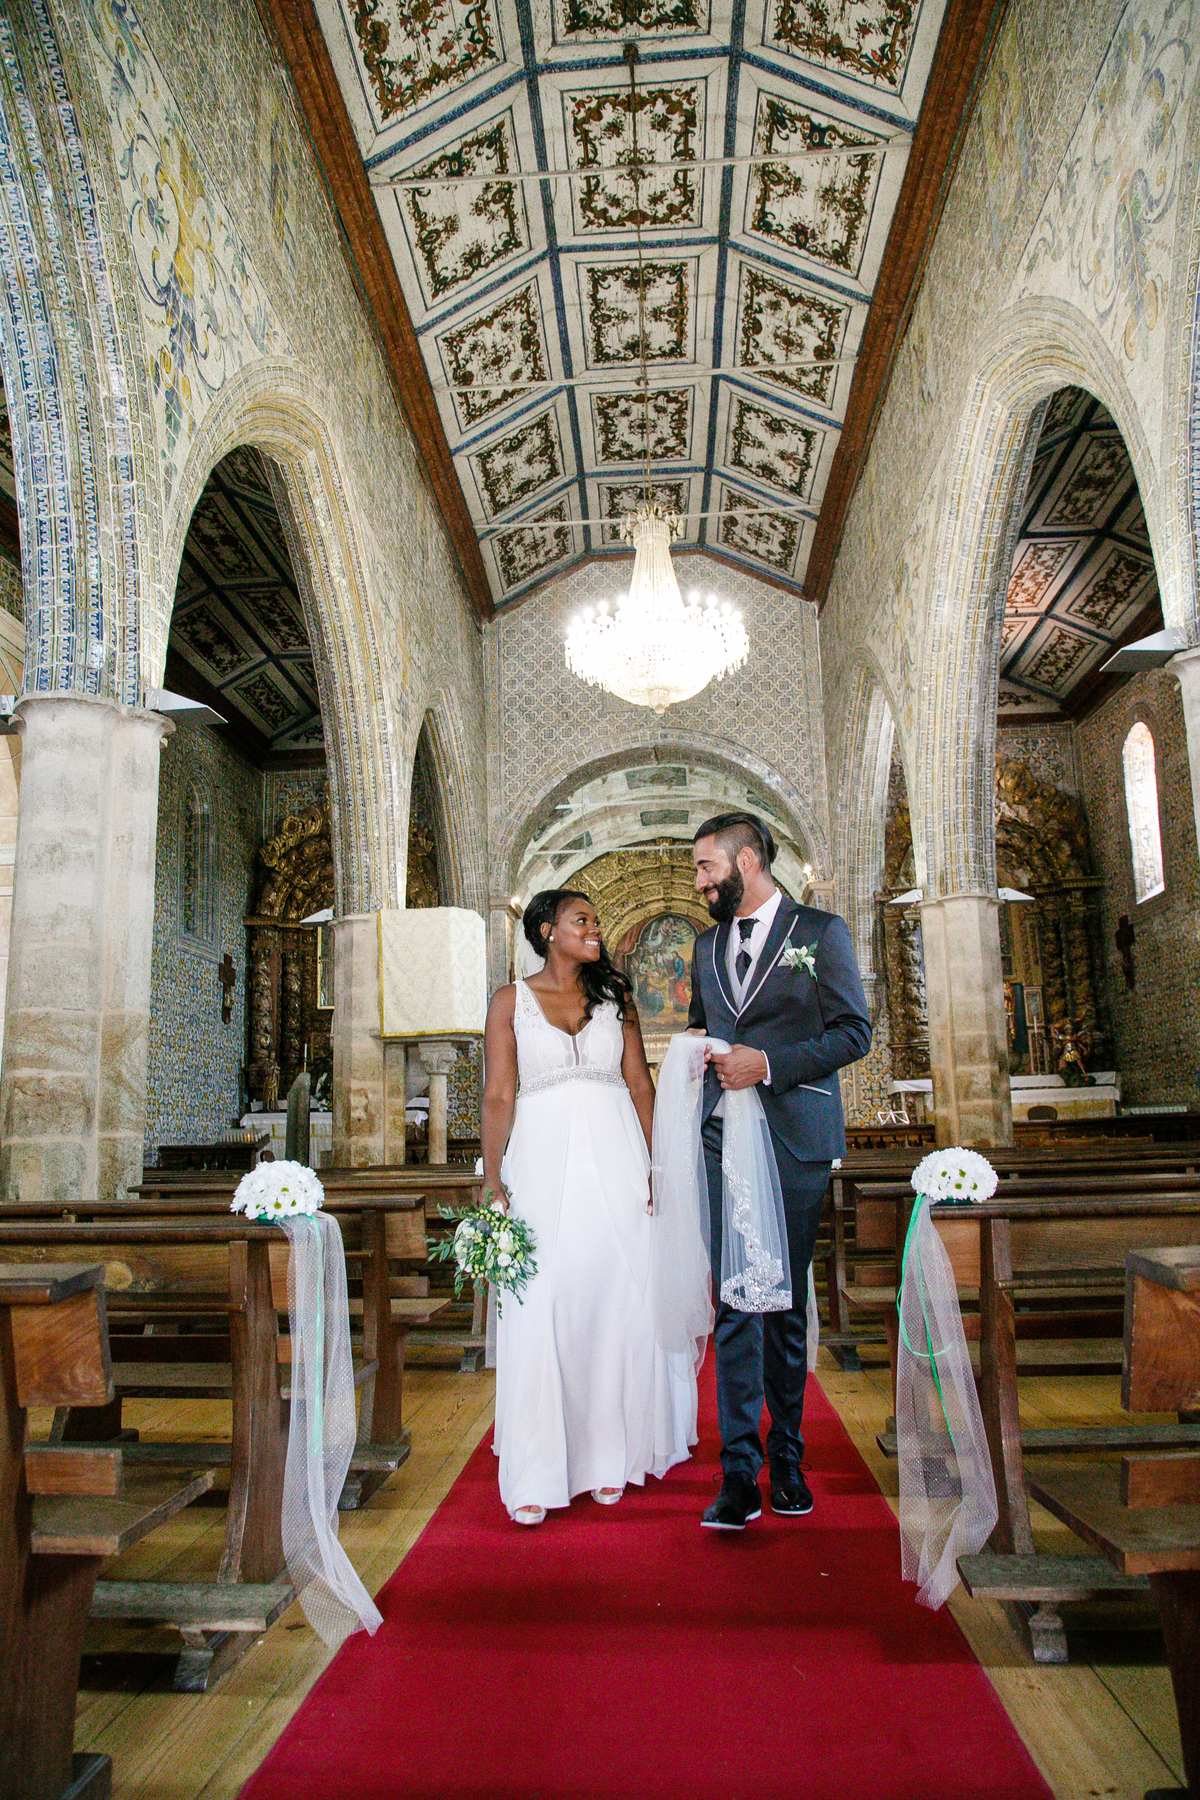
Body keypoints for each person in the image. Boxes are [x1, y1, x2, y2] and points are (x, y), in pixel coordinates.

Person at [481, 888, 696, 1526]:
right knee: (542, 1302)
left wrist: (658, 1165)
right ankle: (536, 1466)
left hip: (618, 1159)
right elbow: (498, 1095)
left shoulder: (616, 996)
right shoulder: (509, 1002)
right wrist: (492, 1178)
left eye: (597, 921)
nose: (595, 929)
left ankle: (609, 1456)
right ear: (548, 930)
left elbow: (640, 1083)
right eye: (583, 921)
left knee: (617, 1299)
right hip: (541, 1165)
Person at [688, 813, 871, 1529]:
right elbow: (706, 1025)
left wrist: (767, 1064)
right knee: (734, 1300)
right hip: (721, 1137)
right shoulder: (705, 945)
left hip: (794, 1136)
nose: (699, 882)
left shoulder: (819, 932)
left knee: (784, 1302)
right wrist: (696, 1055)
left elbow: (853, 1032)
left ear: (747, 861)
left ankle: (788, 1460)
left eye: (706, 867)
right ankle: (738, 1471)